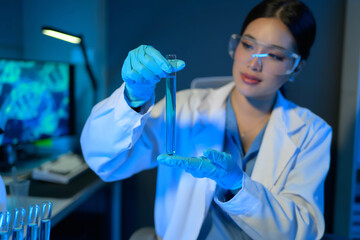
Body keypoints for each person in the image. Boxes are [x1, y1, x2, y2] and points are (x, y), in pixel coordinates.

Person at [80, 0, 332, 239]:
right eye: (248, 45)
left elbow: (302, 231)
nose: (254, 63)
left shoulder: (312, 132)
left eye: (274, 55)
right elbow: (106, 162)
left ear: (296, 67)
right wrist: (132, 98)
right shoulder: (185, 108)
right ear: (236, 46)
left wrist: (238, 185)